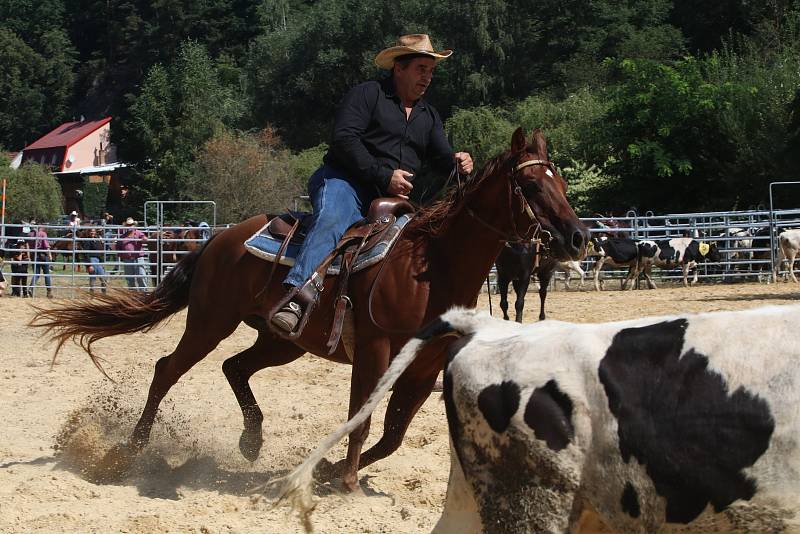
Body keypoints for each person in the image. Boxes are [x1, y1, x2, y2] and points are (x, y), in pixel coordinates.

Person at [271, 34, 474, 333]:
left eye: (431, 71)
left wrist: (460, 163)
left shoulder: (428, 115)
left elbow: (442, 159)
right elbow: (344, 140)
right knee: (332, 219)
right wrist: (384, 175)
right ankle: (296, 298)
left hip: (391, 200)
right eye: (421, 68)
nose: (427, 77)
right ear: (399, 68)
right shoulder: (367, 94)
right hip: (344, 182)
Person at [116, 217, 149, 291]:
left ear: (134, 225)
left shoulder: (138, 233)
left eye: (131, 225)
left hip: (138, 258)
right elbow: (118, 246)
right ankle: (133, 294)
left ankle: (143, 293)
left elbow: (144, 238)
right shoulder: (122, 236)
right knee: (129, 278)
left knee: (141, 276)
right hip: (127, 259)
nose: (130, 226)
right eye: (128, 225)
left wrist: (144, 239)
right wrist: (120, 255)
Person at [28, 221, 53, 298]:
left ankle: (31, 287)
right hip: (43, 255)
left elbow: (28, 246)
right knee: (47, 274)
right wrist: (50, 255)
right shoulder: (42, 234)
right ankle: (49, 292)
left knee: (36, 273)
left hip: (34, 256)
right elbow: (46, 246)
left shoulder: (29, 235)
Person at [82, 226, 108, 293]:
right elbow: (85, 253)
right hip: (91, 260)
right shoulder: (87, 241)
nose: (92, 233)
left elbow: (101, 251)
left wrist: (102, 262)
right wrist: (89, 265)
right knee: (93, 276)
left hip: (98, 260)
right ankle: (92, 291)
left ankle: (103, 290)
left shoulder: (97, 240)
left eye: (93, 231)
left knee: (102, 275)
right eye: (91, 232)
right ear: (88, 233)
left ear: (95, 232)